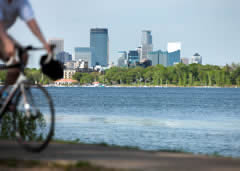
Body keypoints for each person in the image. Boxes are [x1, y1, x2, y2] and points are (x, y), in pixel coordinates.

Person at [0, 0, 51, 95]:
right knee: (11, 54)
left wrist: (44, 43)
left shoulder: (21, 2)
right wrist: (7, 42)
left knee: (23, 56)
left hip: (3, 35)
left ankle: (4, 95)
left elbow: (32, 23)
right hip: (2, 35)